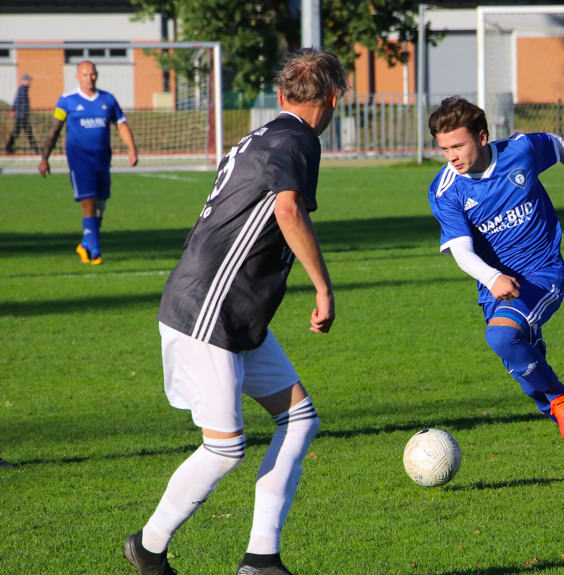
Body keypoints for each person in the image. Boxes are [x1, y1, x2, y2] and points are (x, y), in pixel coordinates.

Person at [121, 48, 346, 575]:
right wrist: (323, 288)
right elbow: (287, 209)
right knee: (224, 449)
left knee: (298, 419)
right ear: (334, 99)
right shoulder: (296, 140)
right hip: (210, 310)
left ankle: (261, 559)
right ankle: (149, 547)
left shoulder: (264, 134)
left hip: (234, 310)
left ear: (284, 95)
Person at [427, 97, 564, 477]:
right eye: (444, 148)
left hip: (542, 272)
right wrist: (492, 277)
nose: (451, 155)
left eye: (458, 145)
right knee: (524, 367)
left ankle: (563, 399)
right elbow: (462, 252)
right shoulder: (445, 190)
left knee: (502, 339)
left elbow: (558, 145)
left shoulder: (520, 151)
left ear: (482, 137)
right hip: (497, 287)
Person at [39, 60, 138, 265]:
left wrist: (132, 149)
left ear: (97, 75)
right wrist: (44, 158)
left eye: (93, 74)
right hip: (79, 161)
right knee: (89, 202)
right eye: (85, 74)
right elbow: (54, 130)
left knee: (100, 206)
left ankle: (85, 243)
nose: (90, 78)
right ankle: (95, 251)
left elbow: (121, 125)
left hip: (102, 161)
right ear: (78, 76)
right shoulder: (66, 100)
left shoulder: (108, 100)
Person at [4, 74, 41, 155]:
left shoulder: (23, 89)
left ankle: (9, 147)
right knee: (25, 132)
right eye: (29, 80)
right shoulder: (22, 89)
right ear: (25, 80)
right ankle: (36, 149)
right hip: (21, 115)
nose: (30, 82)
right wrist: (13, 109)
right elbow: (17, 100)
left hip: (23, 115)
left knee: (24, 132)